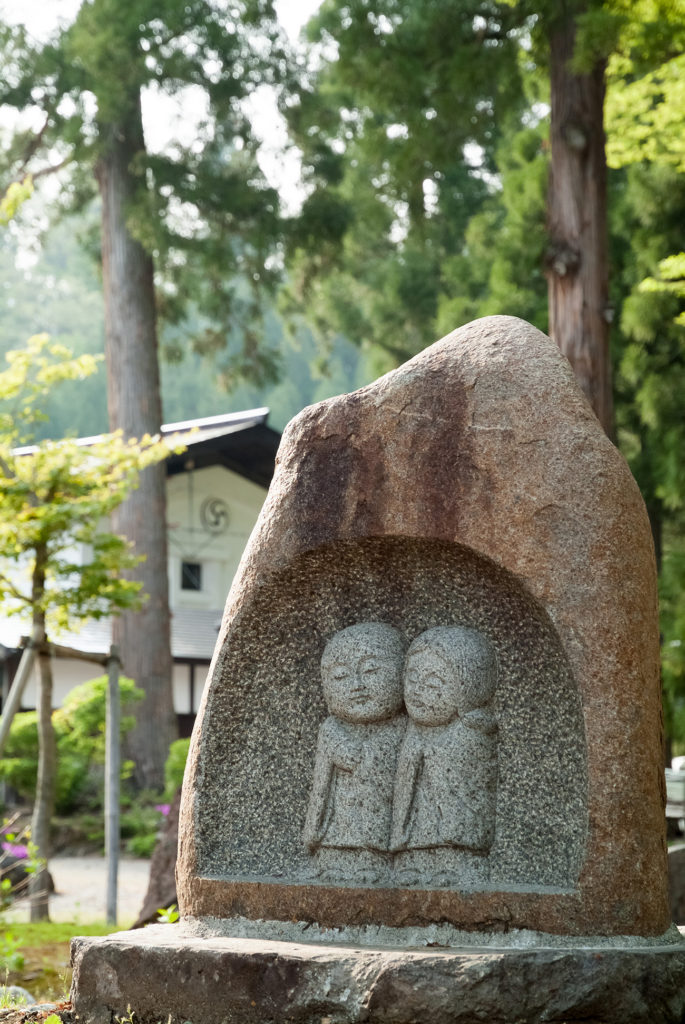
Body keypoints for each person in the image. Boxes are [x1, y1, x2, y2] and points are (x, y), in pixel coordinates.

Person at [391, 625, 498, 887]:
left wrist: (431, 750)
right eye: (412, 679)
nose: (418, 691)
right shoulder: (413, 730)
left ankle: (457, 863)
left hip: (455, 810)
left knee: (451, 829)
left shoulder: (473, 730)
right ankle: (413, 862)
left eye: (433, 684)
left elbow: (471, 779)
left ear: (468, 688)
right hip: (420, 810)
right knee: (420, 824)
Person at [303, 622, 406, 883]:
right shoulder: (331, 728)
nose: (356, 685)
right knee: (336, 839)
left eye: (370, 670)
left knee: (372, 841)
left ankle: (372, 864)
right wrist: (313, 830)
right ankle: (330, 862)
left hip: (378, 818)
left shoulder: (402, 727)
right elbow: (321, 782)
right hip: (338, 815)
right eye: (340, 676)